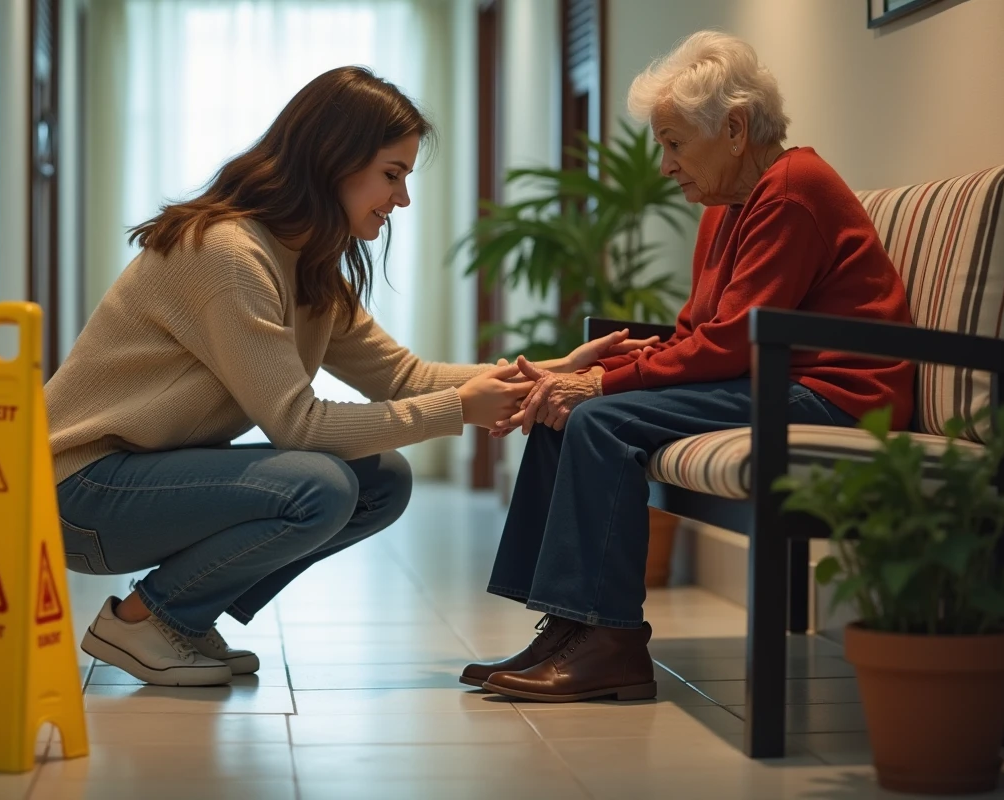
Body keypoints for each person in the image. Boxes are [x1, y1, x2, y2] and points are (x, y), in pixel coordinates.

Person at [46, 66, 654, 687]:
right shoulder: (228, 253)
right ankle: (144, 618)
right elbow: (297, 426)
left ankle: (181, 618)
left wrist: (551, 373)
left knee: (380, 480)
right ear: (333, 160)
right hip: (78, 493)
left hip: (134, 485)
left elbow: (404, 376)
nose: (403, 199)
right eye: (392, 175)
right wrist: (458, 411)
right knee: (319, 485)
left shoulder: (305, 266)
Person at [462, 31, 916, 702]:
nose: (666, 164)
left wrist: (605, 382)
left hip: (837, 396)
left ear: (734, 129)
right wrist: (596, 374)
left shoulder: (791, 190)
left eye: (675, 143)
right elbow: (699, 332)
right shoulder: (727, 207)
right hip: (774, 379)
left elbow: (732, 344)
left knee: (600, 420)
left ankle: (612, 641)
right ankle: (567, 628)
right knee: (574, 410)